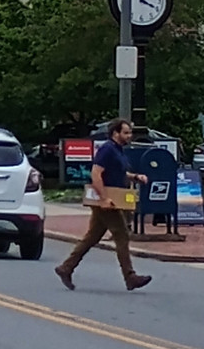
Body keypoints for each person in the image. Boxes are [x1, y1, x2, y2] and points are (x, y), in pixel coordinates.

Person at [55, 118, 152, 291]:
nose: (129, 136)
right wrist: (103, 199)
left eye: (130, 132)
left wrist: (135, 177)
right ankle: (130, 276)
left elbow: (118, 172)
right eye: (126, 133)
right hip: (107, 201)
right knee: (122, 234)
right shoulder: (107, 149)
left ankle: (66, 267)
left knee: (92, 237)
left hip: (112, 199)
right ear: (115, 133)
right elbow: (96, 174)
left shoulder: (118, 150)